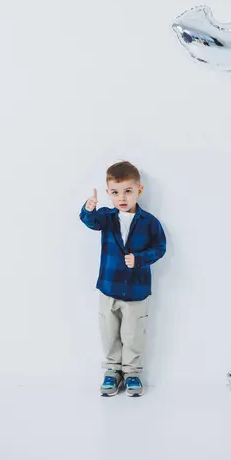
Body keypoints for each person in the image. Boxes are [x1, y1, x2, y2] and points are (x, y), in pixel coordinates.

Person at [79, 161, 166, 397]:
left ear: (139, 190)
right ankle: (112, 371)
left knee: (133, 333)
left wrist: (139, 259)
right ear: (108, 193)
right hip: (109, 287)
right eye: (115, 193)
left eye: (128, 191)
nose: (122, 198)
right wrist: (88, 209)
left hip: (137, 291)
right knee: (108, 331)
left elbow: (160, 248)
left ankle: (131, 373)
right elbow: (90, 221)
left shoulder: (149, 222)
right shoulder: (106, 217)